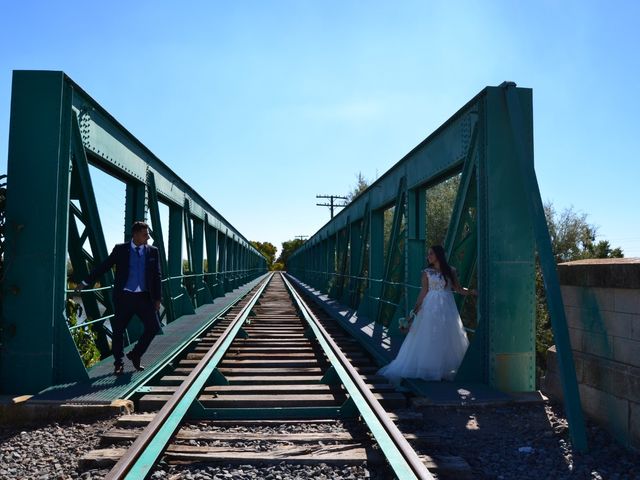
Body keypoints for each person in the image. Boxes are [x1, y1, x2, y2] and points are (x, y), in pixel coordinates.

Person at [378, 245, 477, 384]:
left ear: (438, 255)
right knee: (429, 335)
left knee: (446, 335)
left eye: (431, 253)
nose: (428, 256)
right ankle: (429, 369)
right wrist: (413, 313)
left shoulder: (451, 270)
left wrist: (471, 292)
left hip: (447, 308)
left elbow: (458, 289)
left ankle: (443, 369)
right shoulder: (426, 272)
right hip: (430, 306)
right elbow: (423, 292)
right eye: (428, 254)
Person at [76, 221, 162, 375]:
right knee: (118, 331)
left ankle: (136, 354)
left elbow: (157, 276)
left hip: (144, 297)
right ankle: (118, 363)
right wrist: (85, 282)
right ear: (135, 234)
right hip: (125, 297)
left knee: (153, 327)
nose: (148, 237)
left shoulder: (153, 251)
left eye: (148, 234)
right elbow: (104, 266)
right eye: (145, 234)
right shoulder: (120, 250)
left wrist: (157, 299)